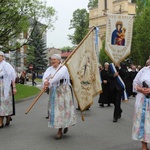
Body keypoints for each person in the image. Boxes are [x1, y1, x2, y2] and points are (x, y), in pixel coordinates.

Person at [42, 54, 76, 139]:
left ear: (59, 60)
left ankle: (65, 124)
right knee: (57, 111)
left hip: (63, 90)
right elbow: (45, 77)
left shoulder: (63, 68)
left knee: (64, 109)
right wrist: (45, 81)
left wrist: (49, 82)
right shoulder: (49, 69)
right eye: (52, 59)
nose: (52, 61)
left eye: (54, 59)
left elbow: (57, 77)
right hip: (54, 91)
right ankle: (59, 130)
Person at [132, 59, 150, 150]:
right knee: (143, 123)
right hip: (142, 101)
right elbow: (135, 84)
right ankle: (144, 146)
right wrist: (141, 89)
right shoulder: (144, 71)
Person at [0, 51, 17, 128]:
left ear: (3, 57)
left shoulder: (7, 65)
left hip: (6, 86)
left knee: (6, 103)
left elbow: (12, 77)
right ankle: (4, 119)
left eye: (0, 56)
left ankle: (7, 117)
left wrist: (14, 87)